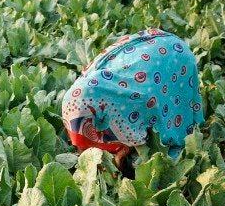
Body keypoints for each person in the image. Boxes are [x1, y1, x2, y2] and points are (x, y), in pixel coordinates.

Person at [61, 28, 204, 172]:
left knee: (169, 105)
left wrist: (121, 160)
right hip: (148, 51)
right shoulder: (73, 102)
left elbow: (137, 141)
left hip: (172, 56)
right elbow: (82, 145)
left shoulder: (123, 104)